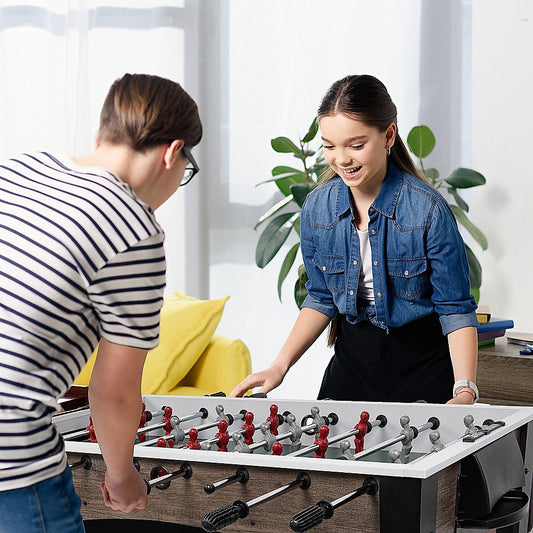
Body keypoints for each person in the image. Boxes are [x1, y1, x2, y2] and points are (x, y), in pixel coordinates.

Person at [0, 73, 202, 531]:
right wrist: (123, 476)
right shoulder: (137, 230)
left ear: (102, 134)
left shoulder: (18, 169)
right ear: (173, 153)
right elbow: (112, 393)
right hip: (12, 458)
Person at [231, 74, 478, 405]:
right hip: (352, 365)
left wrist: (464, 389)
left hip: (423, 366)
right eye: (329, 146)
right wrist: (280, 366)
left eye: (356, 145)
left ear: (389, 135)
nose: (341, 159)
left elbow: (455, 308)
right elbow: (320, 297)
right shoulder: (317, 208)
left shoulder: (428, 211)